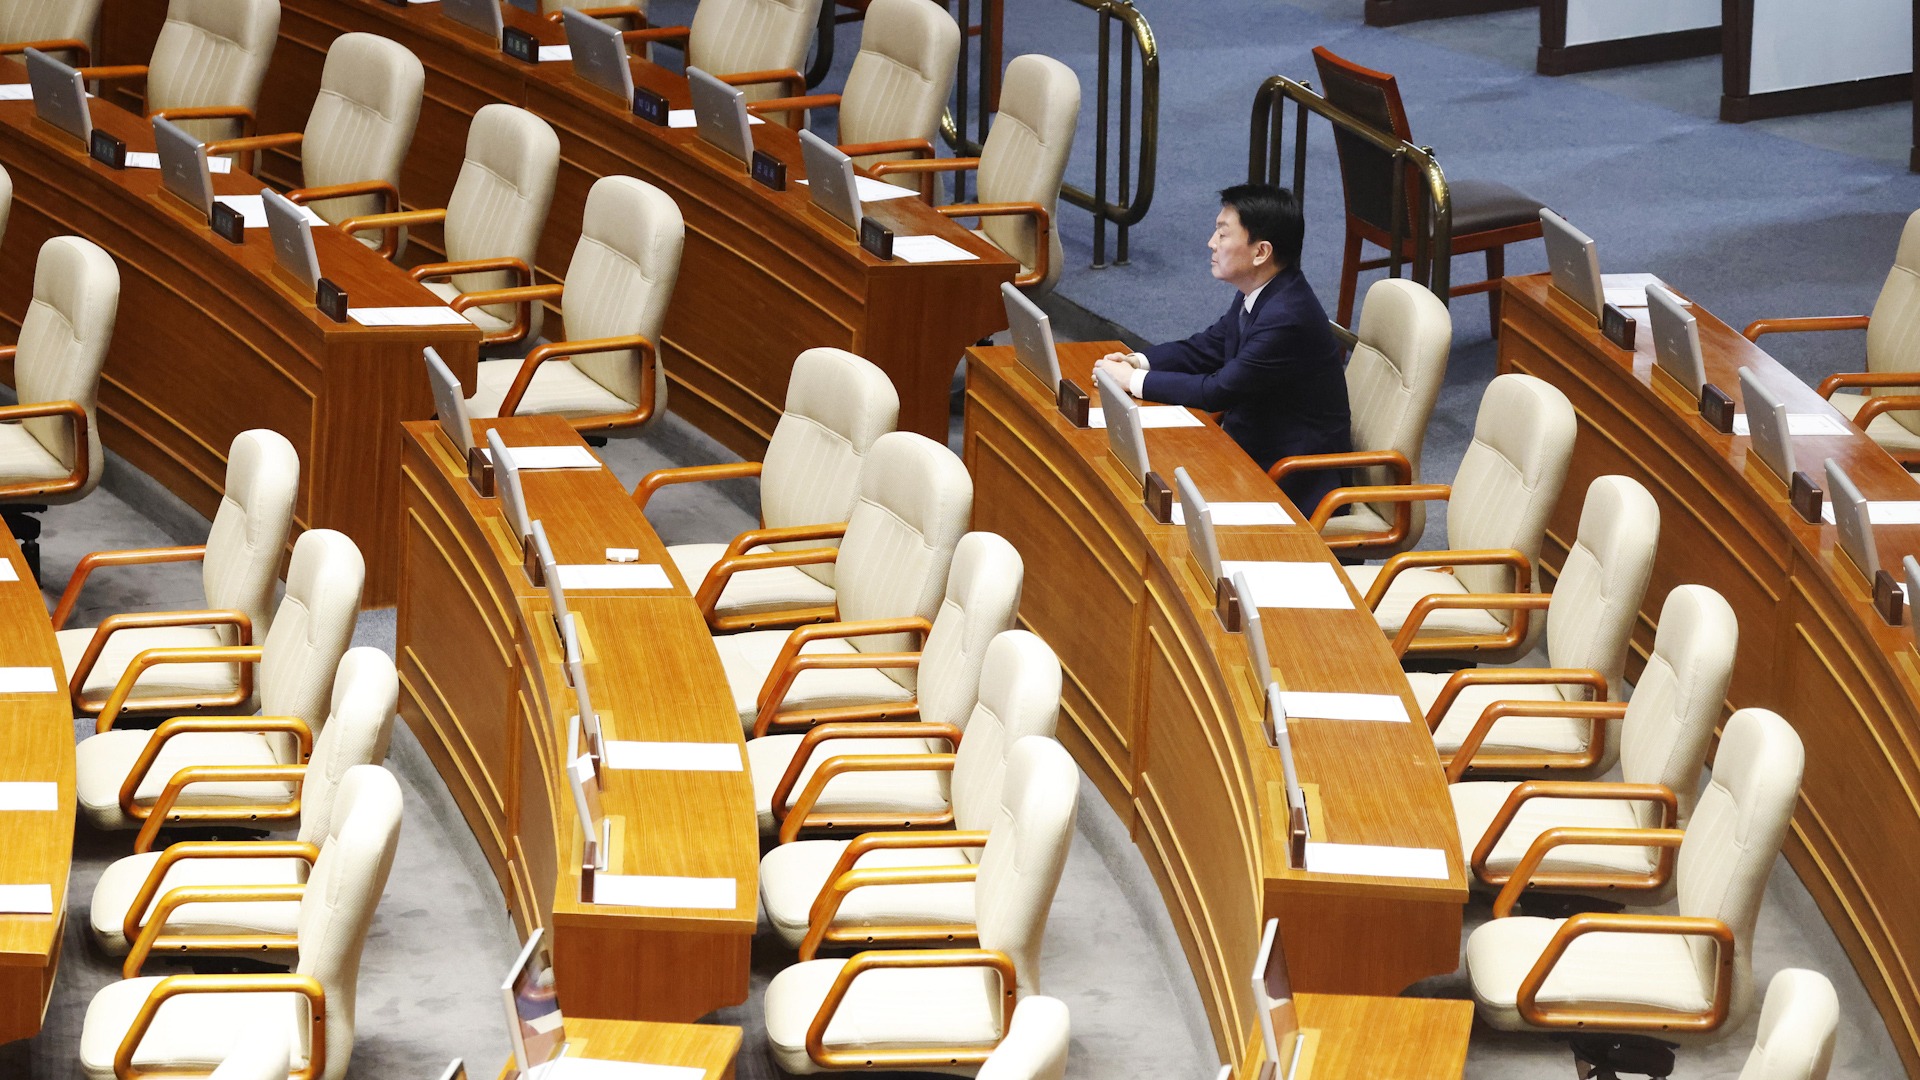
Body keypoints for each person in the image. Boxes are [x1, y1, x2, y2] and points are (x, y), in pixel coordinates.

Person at [1093, 183, 1351, 516]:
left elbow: (1218, 390)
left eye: (1223, 235)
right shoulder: (1264, 290)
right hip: (1249, 452)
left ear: (1261, 252)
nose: (1211, 243)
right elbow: (1209, 346)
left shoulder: (1287, 316)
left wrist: (1131, 380)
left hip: (1291, 481)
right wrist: (1137, 361)